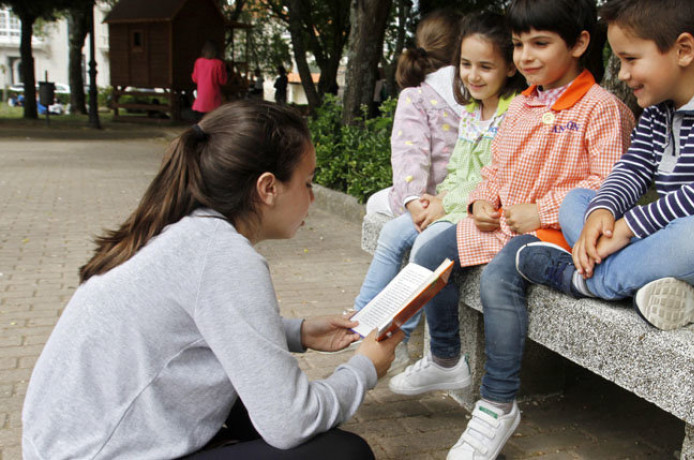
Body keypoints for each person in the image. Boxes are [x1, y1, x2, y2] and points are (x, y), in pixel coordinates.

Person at [21, 100, 403, 460]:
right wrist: (364, 367)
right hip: (95, 452)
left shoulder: (182, 229)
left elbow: (190, 327)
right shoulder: (224, 258)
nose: (312, 198)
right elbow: (292, 421)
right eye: (307, 182)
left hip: (61, 445)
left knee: (249, 390)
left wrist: (297, 332)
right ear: (268, 188)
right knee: (342, 453)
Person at [388, 1, 635, 458]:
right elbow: (495, 171)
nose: (525, 57)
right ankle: (445, 358)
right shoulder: (521, 104)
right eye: (519, 45)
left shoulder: (602, 108)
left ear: (580, 43)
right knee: (428, 254)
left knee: (501, 278)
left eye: (540, 44)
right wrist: (483, 202)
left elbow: (607, 184)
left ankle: (497, 404)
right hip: (502, 224)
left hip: (556, 236)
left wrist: (542, 211)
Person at [516, 0, 694, 332]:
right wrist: (603, 213)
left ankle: (585, 281)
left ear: (683, 50)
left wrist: (625, 228)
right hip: (669, 249)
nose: (622, 74)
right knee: (577, 201)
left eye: (631, 59)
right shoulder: (658, 107)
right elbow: (633, 168)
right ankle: (642, 280)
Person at [353, 9, 465, 371]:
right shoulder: (476, 90)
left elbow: (408, 158)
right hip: (455, 198)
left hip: (432, 201)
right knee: (398, 232)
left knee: (382, 216)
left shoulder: (418, 94)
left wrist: (414, 202)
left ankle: (363, 321)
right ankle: (382, 331)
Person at [191, 40, 227, 117]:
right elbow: (222, 81)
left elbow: (194, 79)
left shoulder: (198, 62)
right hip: (214, 101)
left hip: (200, 102)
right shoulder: (219, 63)